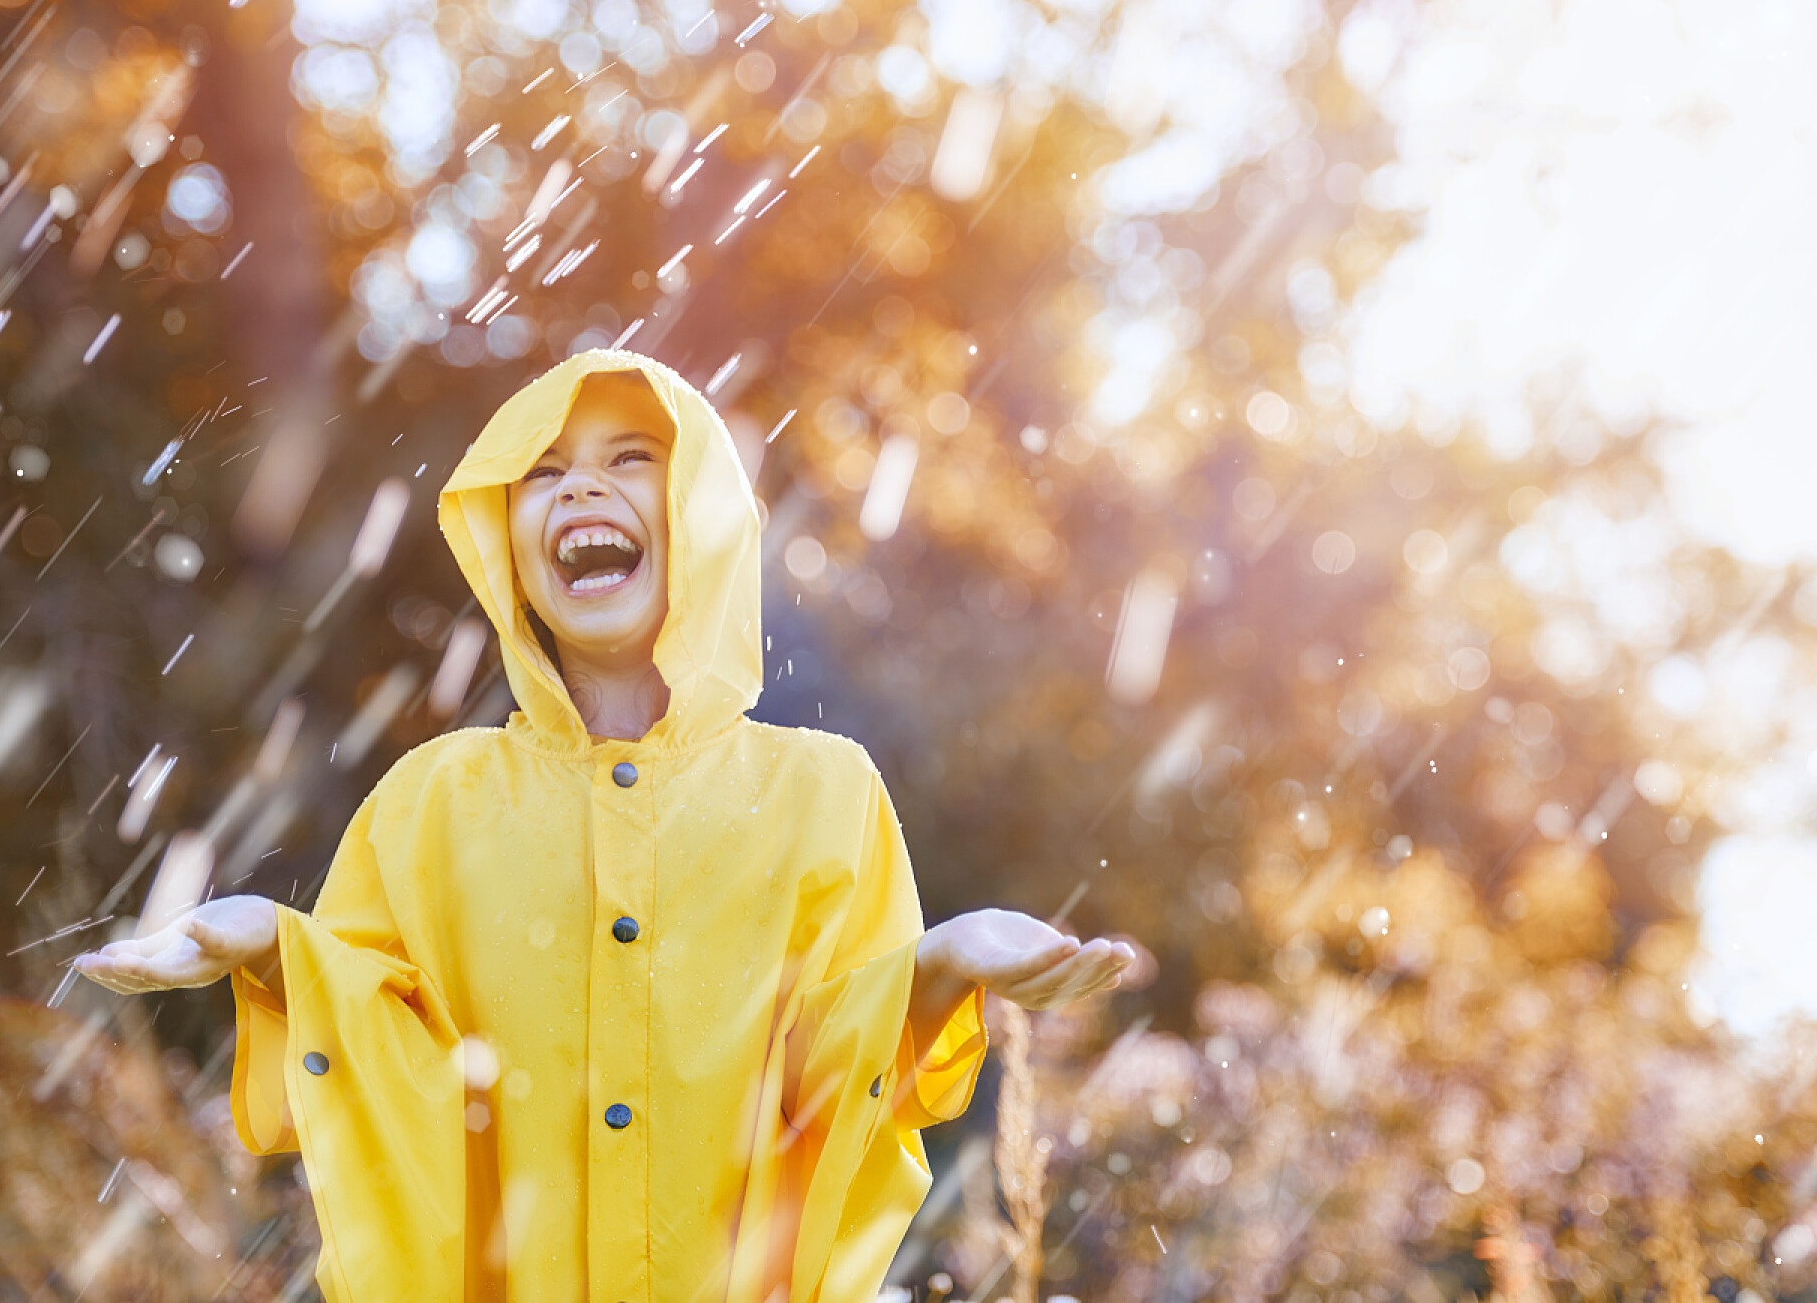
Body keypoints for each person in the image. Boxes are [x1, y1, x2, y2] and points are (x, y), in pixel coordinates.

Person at [75, 348, 1135, 1303]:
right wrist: (278, 947)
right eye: (542, 470)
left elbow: (827, 1088)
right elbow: (385, 1065)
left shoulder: (825, 793)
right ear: (509, 545)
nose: (580, 483)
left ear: (702, 517)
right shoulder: (431, 800)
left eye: (631, 458)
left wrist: (938, 966)